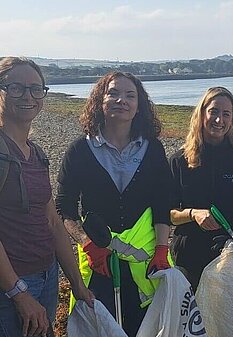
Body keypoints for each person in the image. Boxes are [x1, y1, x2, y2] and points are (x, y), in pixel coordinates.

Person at [55, 71, 172, 336]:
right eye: (113, 93)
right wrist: (87, 244)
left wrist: (162, 249)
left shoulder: (153, 148)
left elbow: (163, 201)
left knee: (147, 326)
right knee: (100, 326)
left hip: (147, 258)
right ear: (100, 100)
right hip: (99, 260)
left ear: (139, 105)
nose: (122, 100)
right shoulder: (79, 150)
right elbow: (65, 206)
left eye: (130, 95)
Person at [0, 57, 93, 337]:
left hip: (47, 275)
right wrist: (18, 293)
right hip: (11, 286)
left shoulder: (36, 153)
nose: (28, 96)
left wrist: (76, 282)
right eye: (15, 88)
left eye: (35, 89)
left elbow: (52, 221)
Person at [169, 86, 233, 298]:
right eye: (213, 111)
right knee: (196, 323)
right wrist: (193, 213)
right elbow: (168, 214)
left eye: (226, 114)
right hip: (191, 256)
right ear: (202, 113)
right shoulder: (179, 161)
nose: (219, 119)